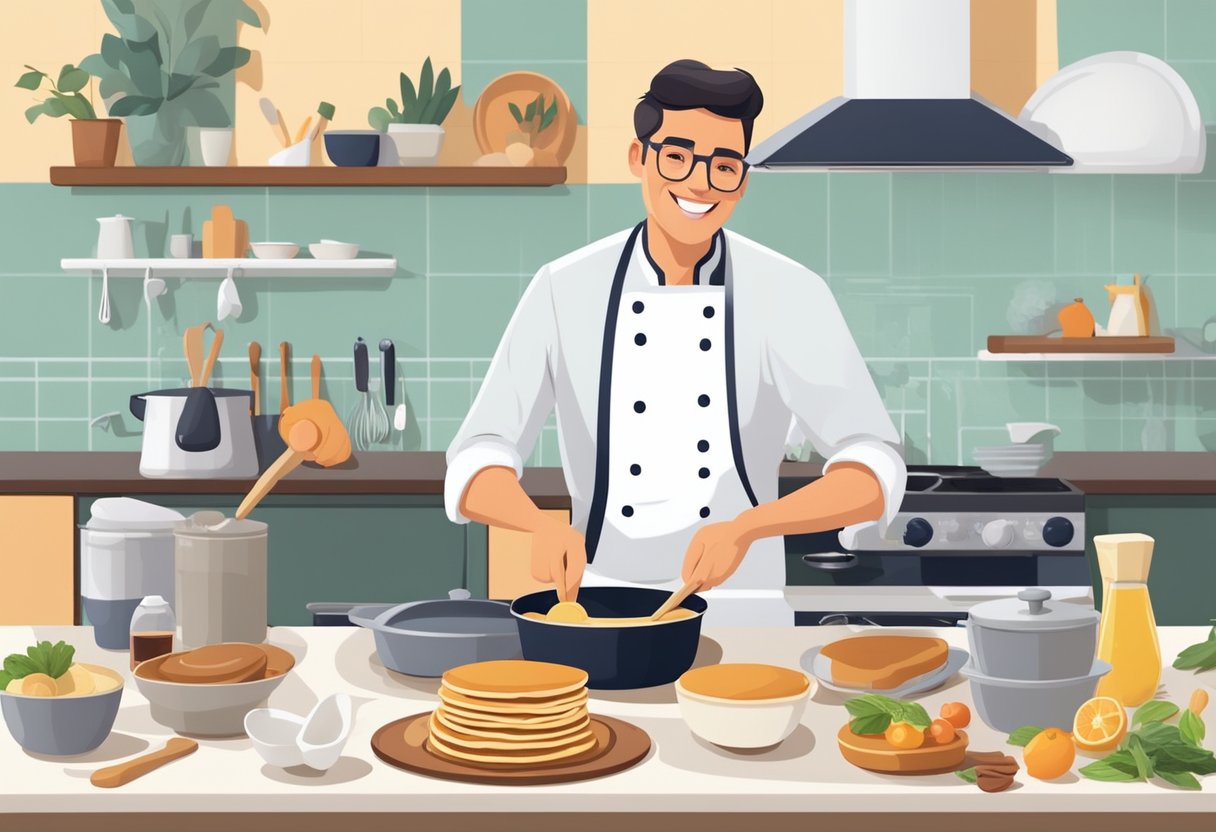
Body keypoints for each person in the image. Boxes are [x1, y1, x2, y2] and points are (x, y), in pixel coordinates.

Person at [444, 59, 905, 626]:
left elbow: (872, 464)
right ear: (640, 158)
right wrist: (537, 522)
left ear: (743, 177)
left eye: (724, 166)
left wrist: (748, 527)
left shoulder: (789, 291)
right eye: (678, 156)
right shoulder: (566, 287)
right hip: (598, 605)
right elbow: (478, 456)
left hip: (743, 609)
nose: (700, 183)